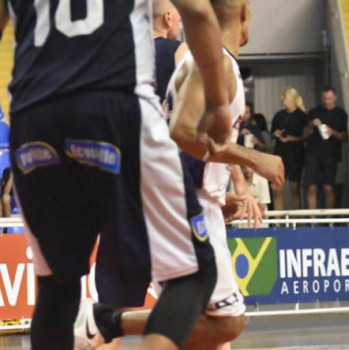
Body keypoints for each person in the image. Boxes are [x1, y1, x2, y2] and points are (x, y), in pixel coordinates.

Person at [0, 0, 240, 348]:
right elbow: (200, 13)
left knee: (57, 289)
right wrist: (218, 104)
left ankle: (99, 321)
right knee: (195, 276)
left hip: (33, 115)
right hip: (116, 105)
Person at [75, 1, 285, 349]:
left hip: (180, 199)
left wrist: (218, 197)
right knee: (226, 323)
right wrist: (253, 157)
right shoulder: (214, 66)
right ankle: (105, 321)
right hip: (185, 211)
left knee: (201, 326)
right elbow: (183, 133)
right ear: (245, 16)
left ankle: (105, 321)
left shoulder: (205, 63)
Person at [304, 86, 349, 209]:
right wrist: (312, 126)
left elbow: (345, 137)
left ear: (335, 97)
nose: (327, 101)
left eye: (329, 98)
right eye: (324, 98)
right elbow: (304, 134)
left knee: (328, 187)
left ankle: (330, 220)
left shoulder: (340, 114)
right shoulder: (314, 112)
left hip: (331, 155)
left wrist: (332, 132)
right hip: (312, 154)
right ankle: (312, 221)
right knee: (311, 187)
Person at [271, 87, 308, 210]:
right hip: (280, 154)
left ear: (292, 99)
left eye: (284, 97)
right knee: (278, 189)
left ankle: (295, 222)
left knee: (294, 189)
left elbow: (306, 135)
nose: (282, 100)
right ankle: (277, 222)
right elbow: (272, 133)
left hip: (295, 155)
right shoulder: (279, 115)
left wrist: (293, 139)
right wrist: (276, 134)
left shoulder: (301, 116)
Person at [153, 0, 188, 103]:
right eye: (178, 13)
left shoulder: (121, 52)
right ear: (168, 18)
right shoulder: (180, 50)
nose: (180, 19)